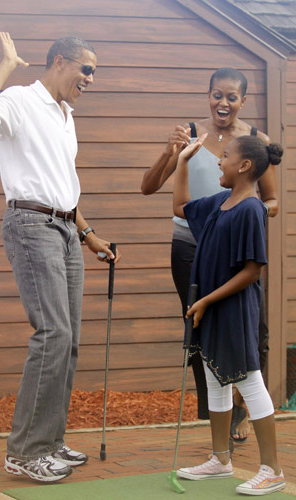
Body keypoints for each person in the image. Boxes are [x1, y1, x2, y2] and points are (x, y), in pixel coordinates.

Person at [0, 31, 120, 483]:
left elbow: (58, 183)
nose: (91, 78)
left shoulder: (65, 114)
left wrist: (87, 233)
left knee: (67, 341)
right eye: (86, 69)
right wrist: (9, 63)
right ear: (58, 62)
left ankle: (49, 441)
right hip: (31, 226)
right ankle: (25, 451)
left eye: (95, 71)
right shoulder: (20, 99)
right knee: (52, 333)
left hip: (65, 229)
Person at [141, 67, 277, 443]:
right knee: (200, 329)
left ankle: (244, 401)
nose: (224, 103)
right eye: (218, 94)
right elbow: (149, 187)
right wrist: (172, 152)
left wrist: (240, 216)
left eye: (232, 97)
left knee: (255, 330)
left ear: (243, 101)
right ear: (208, 95)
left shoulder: (254, 141)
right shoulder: (188, 136)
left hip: (235, 250)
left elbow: (273, 200)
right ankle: (223, 415)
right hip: (189, 248)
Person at [173, 133, 285, 495]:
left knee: (248, 380)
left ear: (244, 166)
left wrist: (207, 300)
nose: (219, 162)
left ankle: (273, 469)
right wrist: (181, 163)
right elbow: (181, 208)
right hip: (210, 306)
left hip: (232, 308)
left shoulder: (252, 208)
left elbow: (253, 270)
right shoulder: (221, 201)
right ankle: (220, 459)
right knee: (214, 377)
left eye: (225, 156)